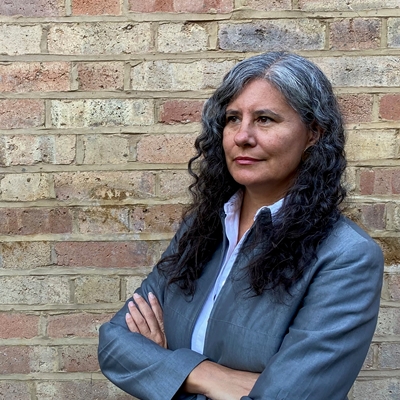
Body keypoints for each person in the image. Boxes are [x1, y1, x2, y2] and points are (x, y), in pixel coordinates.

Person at [98, 51, 384, 400]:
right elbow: (114, 344)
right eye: (233, 119)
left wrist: (164, 371)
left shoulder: (345, 257)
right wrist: (206, 376)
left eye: (265, 119)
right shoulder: (202, 229)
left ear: (313, 133)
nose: (242, 136)